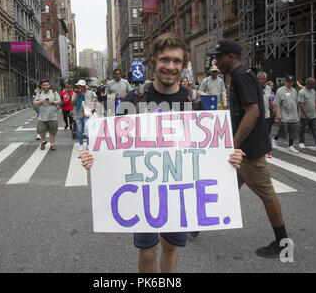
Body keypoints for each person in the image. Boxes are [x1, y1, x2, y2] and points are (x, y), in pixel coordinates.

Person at [79, 33, 244, 273]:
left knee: (170, 246)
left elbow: (211, 150)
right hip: (143, 192)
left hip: (179, 192)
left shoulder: (196, 102)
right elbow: (111, 145)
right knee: (147, 252)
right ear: (154, 61)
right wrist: (94, 157)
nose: (170, 66)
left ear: (184, 64)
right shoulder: (133, 100)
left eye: (177, 61)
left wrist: (230, 158)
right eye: (165, 60)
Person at [212, 39, 290, 258]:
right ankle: (198, 224)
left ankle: (282, 242)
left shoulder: (240, 76)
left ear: (230, 57)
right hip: (245, 149)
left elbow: (253, 112)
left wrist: (232, 144)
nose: (216, 61)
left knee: (266, 193)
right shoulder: (241, 74)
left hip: (248, 151)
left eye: (219, 57)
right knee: (226, 185)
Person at [272, 75, 300, 153]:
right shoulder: (280, 90)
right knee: (283, 129)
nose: (290, 83)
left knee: (293, 130)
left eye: (291, 82)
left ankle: (290, 145)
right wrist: (278, 113)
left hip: (293, 114)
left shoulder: (294, 90)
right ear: (285, 82)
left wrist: (297, 113)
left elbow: (296, 102)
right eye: (288, 82)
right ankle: (275, 139)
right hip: (284, 114)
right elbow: (277, 103)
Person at [298, 78, 316, 150]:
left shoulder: (313, 91)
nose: (313, 86)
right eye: (312, 84)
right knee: (302, 129)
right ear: (308, 84)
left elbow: (314, 101)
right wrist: (305, 114)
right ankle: (301, 142)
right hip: (304, 115)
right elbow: (301, 104)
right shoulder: (302, 92)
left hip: (313, 114)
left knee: (314, 129)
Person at [33, 80, 61, 151]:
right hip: (42, 116)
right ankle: (43, 141)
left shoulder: (54, 93)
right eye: (44, 85)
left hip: (53, 116)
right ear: (42, 86)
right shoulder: (39, 94)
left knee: (52, 131)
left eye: (47, 85)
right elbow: (34, 103)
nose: (46, 86)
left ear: (49, 86)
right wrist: (41, 102)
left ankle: (52, 144)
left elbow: (59, 101)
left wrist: (51, 102)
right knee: (41, 130)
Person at [71, 80, 97, 151]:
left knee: (88, 129)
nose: (78, 87)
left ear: (84, 86)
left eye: (80, 86)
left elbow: (93, 101)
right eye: (78, 86)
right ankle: (81, 144)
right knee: (79, 130)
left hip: (87, 114)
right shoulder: (75, 93)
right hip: (78, 114)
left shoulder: (90, 93)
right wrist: (78, 96)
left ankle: (88, 144)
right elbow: (72, 103)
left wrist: (93, 109)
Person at [258, 72, 274, 158]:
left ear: (265, 80)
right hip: (256, 115)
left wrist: (274, 108)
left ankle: (267, 150)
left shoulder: (268, 88)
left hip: (266, 114)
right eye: (259, 79)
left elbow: (270, 99)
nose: (260, 80)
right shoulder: (254, 87)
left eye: (262, 79)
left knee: (266, 133)